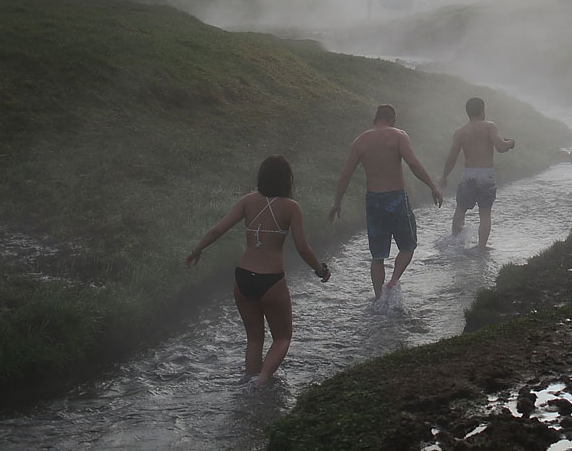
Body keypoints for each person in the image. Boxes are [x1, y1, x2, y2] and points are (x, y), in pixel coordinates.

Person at [186, 154, 330, 385]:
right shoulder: (291, 207)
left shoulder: (247, 201)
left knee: (254, 340)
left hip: (243, 277)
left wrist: (197, 250)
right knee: (282, 338)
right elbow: (302, 248)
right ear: (287, 179)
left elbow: (217, 230)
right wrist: (320, 270)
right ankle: (261, 381)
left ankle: (250, 384)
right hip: (271, 280)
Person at [329, 104, 444, 298]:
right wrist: (432, 186)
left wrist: (337, 202)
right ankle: (393, 281)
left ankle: (378, 297)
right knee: (408, 246)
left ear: (375, 119)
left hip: (373, 200)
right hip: (396, 197)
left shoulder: (360, 141)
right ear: (393, 120)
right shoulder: (398, 135)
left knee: (378, 256)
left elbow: (346, 175)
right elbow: (413, 163)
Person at [441, 97, 515, 250]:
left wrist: (444, 176)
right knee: (485, 214)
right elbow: (501, 147)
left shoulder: (460, 132)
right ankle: (481, 248)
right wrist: (511, 143)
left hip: (468, 174)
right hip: (486, 174)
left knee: (460, 210)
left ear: (468, 112)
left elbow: (452, 157)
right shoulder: (490, 126)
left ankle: (455, 244)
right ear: (482, 111)